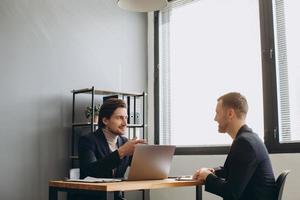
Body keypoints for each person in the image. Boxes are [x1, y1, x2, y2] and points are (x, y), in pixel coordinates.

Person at [193, 92, 276, 200]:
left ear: (230, 114)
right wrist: (212, 171)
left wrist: (207, 176)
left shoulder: (245, 143)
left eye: (217, 113)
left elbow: (231, 193)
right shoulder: (249, 139)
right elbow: (232, 171)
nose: (215, 118)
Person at [78, 98, 146, 200]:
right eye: (120, 118)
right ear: (105, 120)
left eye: (126, 118)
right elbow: (91, 171)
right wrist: (122, 152)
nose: (125, 123)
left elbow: (141, 169)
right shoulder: (87, 140)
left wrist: (145, 155)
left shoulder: (124, 142)